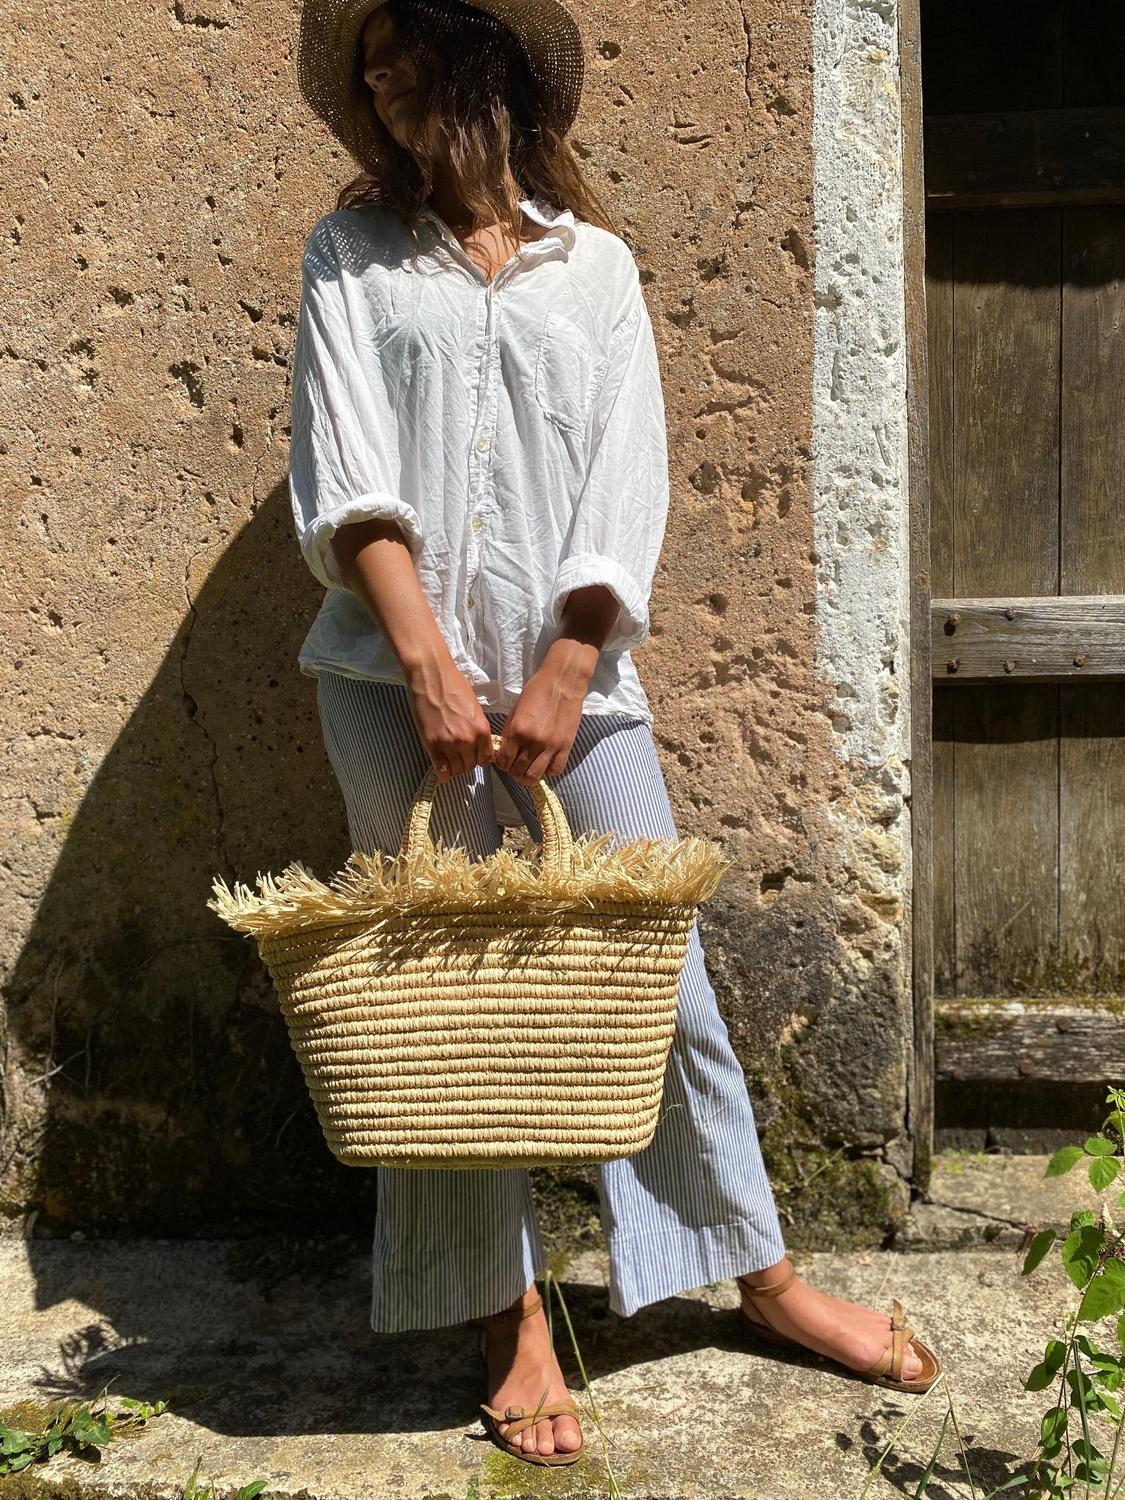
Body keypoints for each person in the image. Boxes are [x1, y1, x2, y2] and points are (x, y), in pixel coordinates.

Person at [287, 0, 942, 1469]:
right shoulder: (350, 257)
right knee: (444, 1016)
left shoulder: (598, 271)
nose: (380, 84)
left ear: (490, 68)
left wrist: (566, 667)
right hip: (394, 693)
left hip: (574, 692)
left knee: (669, 989)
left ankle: (759, 1278)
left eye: (408, 55)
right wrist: (429, 669)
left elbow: (621, 485)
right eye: (368, 67)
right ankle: (506, 1316)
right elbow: (346, 474)